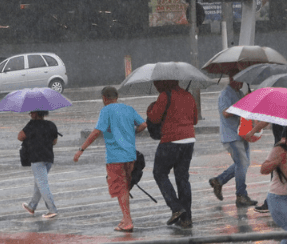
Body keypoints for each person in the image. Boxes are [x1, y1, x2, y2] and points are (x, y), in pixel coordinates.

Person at [74, 86, 147, 232]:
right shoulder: (128, 109)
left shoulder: (106, 111)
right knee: (124, 187)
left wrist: (81, 149)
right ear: (117, 96)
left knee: (120, 189)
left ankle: (127, 221)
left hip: (115, 157)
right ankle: (125, 218)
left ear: (104, 98)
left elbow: (96, 132)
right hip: (130, 155)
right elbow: (143, 124)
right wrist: (131, 132)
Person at [146, 80, 200, 229]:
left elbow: (154, 118)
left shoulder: (165, 95)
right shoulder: (188, 95)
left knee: (159, 173)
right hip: (189, 140)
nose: (156, 86)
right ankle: (186, 218)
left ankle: (176, 207)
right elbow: (194, 120)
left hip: (171, 140)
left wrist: (150, 110)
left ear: (165, 83)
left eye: (157, 83)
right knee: (182, 178)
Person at [208, 76, 259, 207]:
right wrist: (241, 105)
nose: (241, 83)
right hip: (231, 136)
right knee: (242, 164)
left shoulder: (239, 93)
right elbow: (225, 112)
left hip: (242, 133)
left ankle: (219, 180)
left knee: (243, 164)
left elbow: (246, 111)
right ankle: (241, 195)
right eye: (239, 79)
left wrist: (250, 100)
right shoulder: (225, 94)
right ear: (232, 79)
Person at [18, 110, 60, 219]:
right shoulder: (51, 125)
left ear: (36, 113)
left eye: (31, 112)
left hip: (37, 158)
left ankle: (52, 209)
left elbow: (20, 136)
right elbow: (54, 141)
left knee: (42, 184)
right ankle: (32, 206)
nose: (30, 114)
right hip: (49, 158)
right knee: (39, 183)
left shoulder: (31, 125)